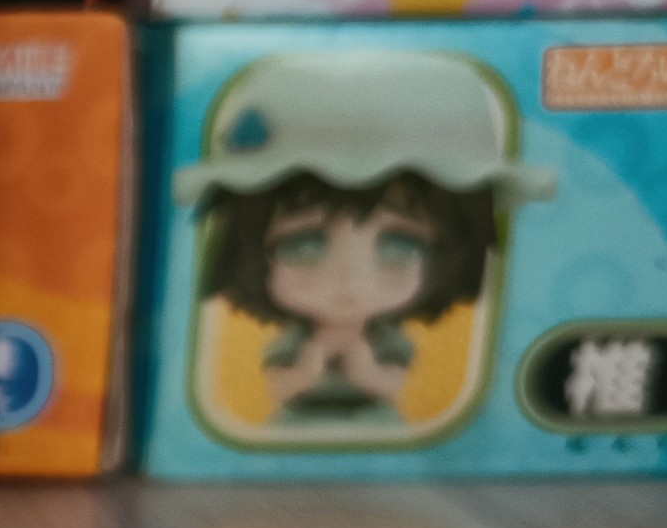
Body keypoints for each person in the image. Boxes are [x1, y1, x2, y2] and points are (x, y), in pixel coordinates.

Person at [177, 50, 551, 427]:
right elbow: (280, 388)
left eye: (400, 246)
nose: (350, 280)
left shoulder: (388, 339)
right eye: (303, 245)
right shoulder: (294, 340)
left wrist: (363, 365)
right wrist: (310, 364)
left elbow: (391, 386)